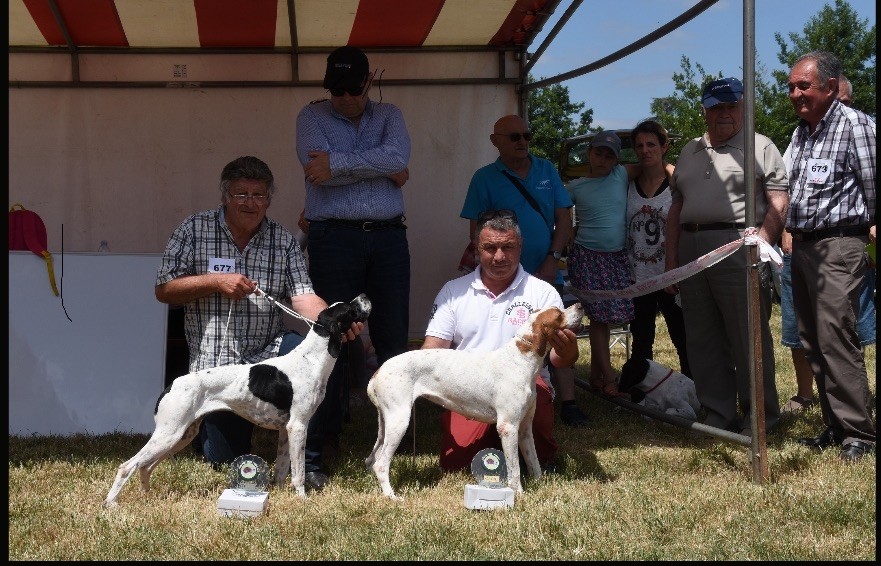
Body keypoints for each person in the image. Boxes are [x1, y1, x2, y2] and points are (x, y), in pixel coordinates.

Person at [155, 156, 363, 485]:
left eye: (259, 195)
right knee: (225, 461)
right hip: (217, 365)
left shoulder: (282, 241)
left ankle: (308, 463)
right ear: (224, 196)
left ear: (268, 200)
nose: (250, 203)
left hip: (269, 353)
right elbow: (164, 289)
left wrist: (332, 323)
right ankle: (208, 433)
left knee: (318, 356)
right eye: (241, 194)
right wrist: (214, 282)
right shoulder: (193, 229)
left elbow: (304, 297)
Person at [295, 45, 411, 488]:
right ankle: (321, 447)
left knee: (393, 335)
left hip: (388, 237)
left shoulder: (391, 114)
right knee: (330, 341)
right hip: (333, 238)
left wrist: (341, 164)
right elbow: (315, 171)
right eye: (334, 89)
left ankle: (396, 440)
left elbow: (396, 159)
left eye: (350, 88)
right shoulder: (310, 117)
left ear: (368, 82)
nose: (341, 97)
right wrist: (383, 168)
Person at [664, 77, 788, 436]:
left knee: (748, 336)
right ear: (703, 110)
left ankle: (760, 418)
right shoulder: (688, 150)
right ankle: (718, 413)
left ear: (744, 107)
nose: (723, 113)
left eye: (730, 105)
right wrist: (671, 261)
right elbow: (676, 207)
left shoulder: (761, 147)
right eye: (715, 106)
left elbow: (779, 202)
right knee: (702, 337)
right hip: (692, 248)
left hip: (738, 246)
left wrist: (763, 243)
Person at [422, 210, 580, 471]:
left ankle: (532, 454)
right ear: (476, 249)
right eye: (490, 248)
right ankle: (494, 447)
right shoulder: (453, 291)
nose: (499, 256)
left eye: (508, 247)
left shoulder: (542, 293)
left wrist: (569, 351)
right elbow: (432, 349)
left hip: (527, 384)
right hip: (470, 386)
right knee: (457, 465)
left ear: (520, 248)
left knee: (536, 429)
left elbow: (558, 359)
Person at [460, 114, 589, 427]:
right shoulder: (484, 177)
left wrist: (553, 257)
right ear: (496, 141)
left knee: (559, 332)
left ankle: (568, 402)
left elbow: (564, 215)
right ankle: (497, 398)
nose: (522, 142)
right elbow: (475, 230)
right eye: (514, 137)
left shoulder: (546, 169)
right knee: (503, 335)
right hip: (502, 277)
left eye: (526, 136)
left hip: (545, 270)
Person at [784, 51, 875, 461]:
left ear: (833, 87)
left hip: (840, 245)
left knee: (836, 336)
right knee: (812, 339)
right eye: (791, 87)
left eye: (804, 85)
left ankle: (860, 432)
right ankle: (835, 425)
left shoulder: (858, 126)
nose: (796, 93)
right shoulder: (803, 132)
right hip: (802, 246)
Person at [567, 131, 640, 397]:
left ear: (616, 160)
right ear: (588, 152)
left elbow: (649, 164)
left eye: (609, 155)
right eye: (598, 152)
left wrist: (670, 168)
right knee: (599, 319)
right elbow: (558, 211)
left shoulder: (620, 175)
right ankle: (609, 379)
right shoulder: (575, 187)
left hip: (617, 256)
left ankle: (598, 377)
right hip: (589, 256)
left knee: (606, 320)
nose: (602, 159)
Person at [625, 120, 690, 378]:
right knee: (641, 339)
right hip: (638, 275)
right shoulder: (628, 183)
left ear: (664, 146)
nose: (645, 150)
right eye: (639, 145)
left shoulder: (677, 183)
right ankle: (643, 390)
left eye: (651, 144)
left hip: (670, 273)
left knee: (681, 336)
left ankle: (693, 388)